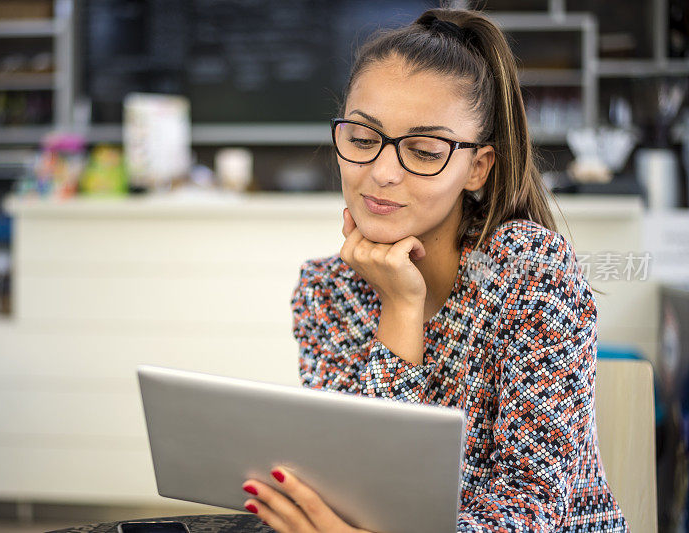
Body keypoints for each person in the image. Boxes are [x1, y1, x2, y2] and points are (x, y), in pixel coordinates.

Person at [240, 6, 630, 533]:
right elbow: (362, 489)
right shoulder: (326, 290)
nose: (380, 172)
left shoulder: (535, 274)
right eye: (360, 139)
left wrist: (401, 304)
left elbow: (532, 507)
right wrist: (400, 310)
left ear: (477, 168)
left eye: (423, 151)